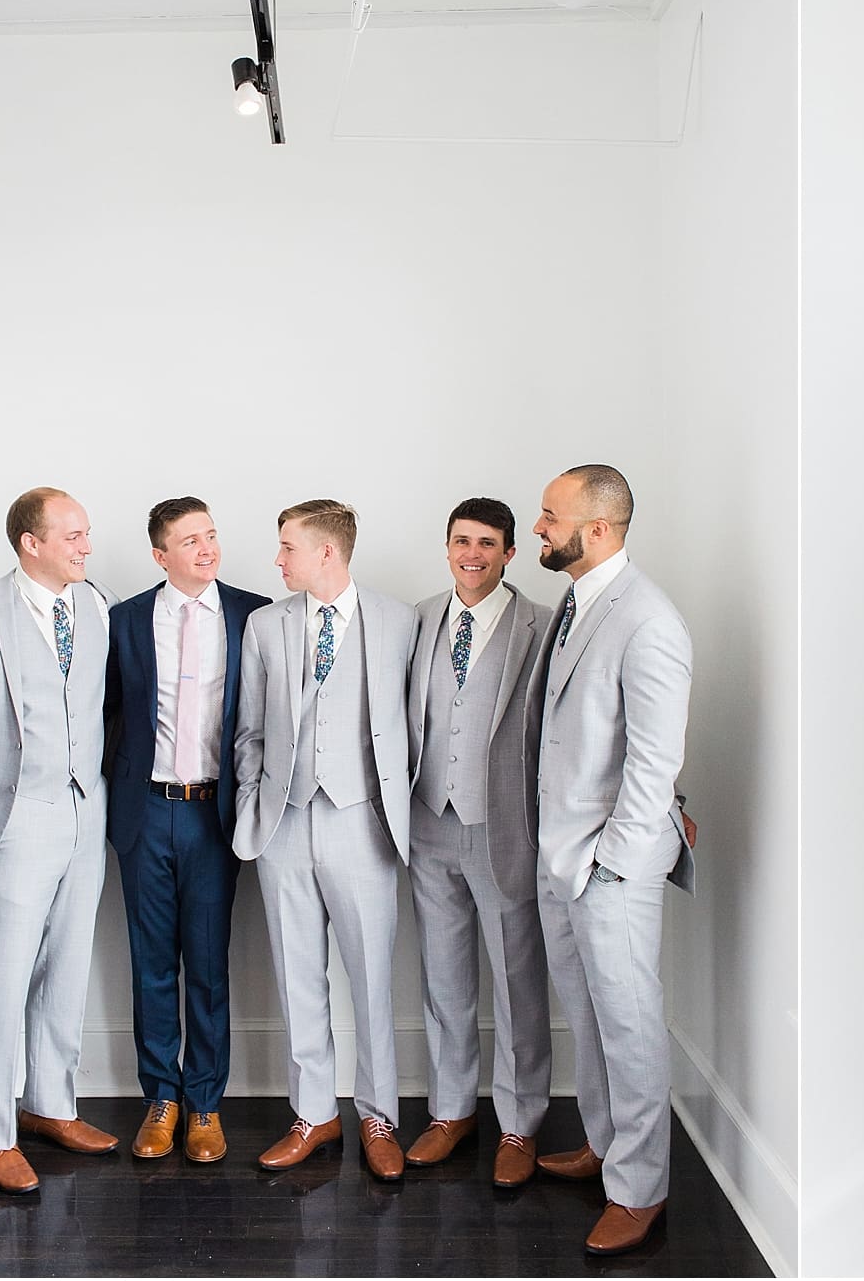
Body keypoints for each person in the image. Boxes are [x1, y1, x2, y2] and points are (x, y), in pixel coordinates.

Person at [530, 464, 695, 1256]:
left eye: (550, 516)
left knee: (628, 1025)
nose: (539, 528)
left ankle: (639, 1190)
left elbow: (653, 763)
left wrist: (612, 866)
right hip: (557, 857)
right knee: (589, 1017)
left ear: (596, 530)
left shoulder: (649, 620)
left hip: (607, 868)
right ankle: (604, 1146)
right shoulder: (575, 602)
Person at [233, 499, 417, 1183]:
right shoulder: (264, 625)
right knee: (296, 973)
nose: (277, 561)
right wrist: (257, 801)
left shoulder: (400, 621)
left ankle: (378, 1116)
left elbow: (414, 723)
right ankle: (314, 1113)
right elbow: (248, 727)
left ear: (326, 554)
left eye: (287, 548)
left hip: (362, 821)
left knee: (371, 977)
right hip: (282, 823)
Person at [0, 487, 121, 1193]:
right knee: (2, 976)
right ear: (31, 542)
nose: (87, 546)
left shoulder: (96, 607)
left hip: (87, 811)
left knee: (67, 966)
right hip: (15, 818)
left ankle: (50, 1105)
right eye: (75, 536)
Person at [104, 497, 271, 1162]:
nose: (206, 548)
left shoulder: (253, 614)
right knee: (150, 966)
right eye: (189, 540)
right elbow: (106, 715)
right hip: (145, 812)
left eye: (211, 535)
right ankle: (160, 1099)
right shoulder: (123, 620)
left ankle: (204, 1103)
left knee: (205, 963)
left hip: (213, 814)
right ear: (160, 555)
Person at [403, 498, 555, 1185]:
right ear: (446, 547)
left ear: (509, 553)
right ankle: (451, 1110)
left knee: (517, 979)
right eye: (461, 541)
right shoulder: (419, 619)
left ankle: (520, 1124)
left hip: (503, 830)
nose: (473, 553)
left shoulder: (542, 628)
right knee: (444, 977)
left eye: (487, 543)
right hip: (427, 821)